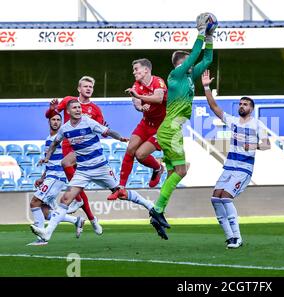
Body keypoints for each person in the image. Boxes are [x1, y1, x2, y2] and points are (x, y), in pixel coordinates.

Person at [30, 100, 168, 241]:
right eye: (75, 108)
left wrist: (119, 137)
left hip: (100, 167)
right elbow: (54, 143)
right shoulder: (65, 128)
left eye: (79, 107)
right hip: (83, 170)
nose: (78, 110)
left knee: (120, 193)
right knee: (65, 199)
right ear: (69, 111)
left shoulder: (88, 122)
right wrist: (47, 157)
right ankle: (47, 233)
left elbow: (107, 131)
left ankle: (150, 205)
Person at [148, 13, 215, 232]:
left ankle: (158, 212)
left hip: (172, 129)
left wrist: (210, 37)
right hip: (170, 130)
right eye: (186, 60)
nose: (191, 63)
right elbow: (196, 55)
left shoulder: (187, 76)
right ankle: (156, 210)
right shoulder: (175, 75)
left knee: (173, 172)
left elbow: (206, 60)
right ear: (180, 63)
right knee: (181, 171)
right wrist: (200, 34)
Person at [202, 70, 270, 248]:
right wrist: (206, 87)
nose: (242, 106)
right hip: (229, 167)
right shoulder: (232, 121)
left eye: (245, 104)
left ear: (251, 108)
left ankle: (238, 238)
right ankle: (230, 237)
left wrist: (253, 146)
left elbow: (267, 144)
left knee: (226, 198)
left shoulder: (258, 125)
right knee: (215, 198)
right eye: (240, 104)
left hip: (243, 169)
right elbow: (214, 107)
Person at [45, 76, 104, 234]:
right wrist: (52, 109)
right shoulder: (69, 101)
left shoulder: (95, 109)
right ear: (79, 88)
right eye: (85, 86)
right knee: (76, 186)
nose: (88, 88)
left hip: (83, 149)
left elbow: (100, 131)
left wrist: (104, 129)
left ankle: (80, 205)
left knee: (70, 172)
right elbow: (51, 115)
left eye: (91, 86)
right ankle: (92, 219)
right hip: (67, 145)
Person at [107, 58, 167, 201]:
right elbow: (137, 103)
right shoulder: (137, 85)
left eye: (136, 69)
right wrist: (141, 107)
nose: (134, 72)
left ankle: (158, 168)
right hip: (146, 123)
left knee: (140, 155)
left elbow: (159, 98)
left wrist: (139, 96)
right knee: (130, 149)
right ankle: (121, 188)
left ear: (146, 70)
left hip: (161, 127)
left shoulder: (158, 81)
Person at [28, 111, 84, 245]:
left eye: (59, 120)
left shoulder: (64, 138)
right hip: (50, 175)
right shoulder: (48, 139)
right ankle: (76, 221)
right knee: (45, 211)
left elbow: (74, 154)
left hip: (57, 176)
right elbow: (50, 161)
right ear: (49, 122)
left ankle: (41, 238)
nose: (56, 122)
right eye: (53, 119)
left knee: (34, 202)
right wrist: (42, 177)